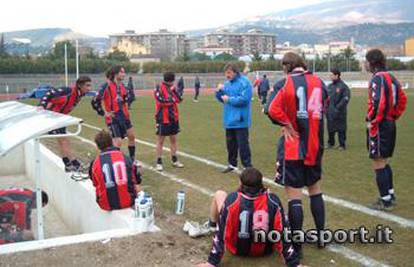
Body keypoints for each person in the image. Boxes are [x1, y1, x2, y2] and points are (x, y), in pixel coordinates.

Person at [266, 52, 328, 255]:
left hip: (294, 146)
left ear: (286, 68)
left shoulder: (285, 83)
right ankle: (321, 237)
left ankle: (297, 246)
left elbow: (271, 109)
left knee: (294, 196)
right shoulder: (319, 81)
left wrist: (286, 123)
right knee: (315, 190)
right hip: (315, 144)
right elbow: (324, 106)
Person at [196, 168, 304, 267]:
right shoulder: (272, 200)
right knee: (278, 216)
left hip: (236, 248)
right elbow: (283, 231)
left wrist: (212, 262)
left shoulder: (232, 199)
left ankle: (211, 225)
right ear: (261, 183)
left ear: (241, 182)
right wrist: (294, 264)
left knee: (220, 194)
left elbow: (221, 233)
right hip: (266, 249)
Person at [365, 49, 407, 211]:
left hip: (380, 125)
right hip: (389, 123)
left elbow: (378, 102)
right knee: (384, 160)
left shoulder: (378, 78)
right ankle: (390, 194)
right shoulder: (391, 77)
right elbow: (402, 99)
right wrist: (394, 115)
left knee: (378, 161)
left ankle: (385, 200)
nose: (365, 64)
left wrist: (372, 120)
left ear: (372, 62)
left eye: (367, 61)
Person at [39, 76, 92, 174]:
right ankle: (75, 164)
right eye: (87, 86)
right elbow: (50, 93)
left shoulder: (79, 94)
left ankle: (68, 164)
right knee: (64, 140)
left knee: (63, 141)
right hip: (53, 118)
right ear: (80, 85)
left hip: (60, 118)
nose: (89, 88)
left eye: (90, 86)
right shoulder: (69, 91)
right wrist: (42, 105)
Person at [91, 65, 137, 161]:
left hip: (124, 116)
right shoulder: (106, 86)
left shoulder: (122, 86)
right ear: (115, 73)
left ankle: (132, 160)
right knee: (118, 141)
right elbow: (95, 101)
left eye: (124, 72)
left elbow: (125, 99)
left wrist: (128, 97)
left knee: (132, 136)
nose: (124, 74)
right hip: (113, 118)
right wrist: (104, 113)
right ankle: (115, 161)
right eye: (122, 72)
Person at [89, 130, 142, 211]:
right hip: (128, 201)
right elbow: (137, 180)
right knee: (136, 184)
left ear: (97, 146)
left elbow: (95, 183)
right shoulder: (126, 158)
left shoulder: (95, 163)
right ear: (112, 142)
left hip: (105, 205)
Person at [216, 63, 253, 173]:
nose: (227, 75)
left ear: (235, 72)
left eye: (229, 73)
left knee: (243, 144)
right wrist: (219, 92)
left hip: (240, 119)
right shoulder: (227, 84)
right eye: (226, 73)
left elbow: (245, 99)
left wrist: (230, 99)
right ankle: (232, 164)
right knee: (230, 144)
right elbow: (222, 99)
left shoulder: (244, 82)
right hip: (229, 119)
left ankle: (247, 166)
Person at [154, 72, 184, 172]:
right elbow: (161, 101)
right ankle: (158, 162)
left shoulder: (173, 89)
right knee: (160, 140)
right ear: (171, 80)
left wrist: (173, 93)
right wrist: (172, 100)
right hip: (162, 118)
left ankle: (174, 160)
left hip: (173, 117)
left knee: (173, 139)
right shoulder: (159, 88)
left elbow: (180, 99)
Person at [326, 69, 351, 150]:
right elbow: (326, 98)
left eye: (331, 75)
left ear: (337, 75)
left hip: (340, 112)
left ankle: (342, 145)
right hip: (330, 112)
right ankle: (331, 143)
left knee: (341, 129)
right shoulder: (329, 86)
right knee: (330, 128)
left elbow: (345, 99)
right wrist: (326, 109)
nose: (330, 76)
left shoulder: (343, 86)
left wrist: (337, 108)